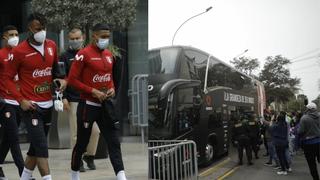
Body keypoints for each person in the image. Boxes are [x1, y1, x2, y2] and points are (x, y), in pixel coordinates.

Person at [4, 13, 67, 180]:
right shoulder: (19, 51)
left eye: (44, 28)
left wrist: (61, 81)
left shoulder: (52, 45)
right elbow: (6, 78)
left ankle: (24, 178)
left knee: (35, 148)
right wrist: (21, 100)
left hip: (48, 105)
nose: (42, 32)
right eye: (38, 29)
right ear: (30, 29)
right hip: (30, 106)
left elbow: (57, 73)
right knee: (41, 146)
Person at [68, 23, 126, 180]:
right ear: (94, 36)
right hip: (88, 106)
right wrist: (92, 91)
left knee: (114, 142)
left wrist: (112, 88)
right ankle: (74, 174)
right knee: (81, 143)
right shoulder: (83, 54)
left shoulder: (109, 55)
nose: (105, 39)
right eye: (103, 37)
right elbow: (72, 80)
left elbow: (110, 78)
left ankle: (121, 176)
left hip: (106, 106)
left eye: (108, 37)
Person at [60, 28, 100, 172]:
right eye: (72, 39)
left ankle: (90, 155)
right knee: (76, 133)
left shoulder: (91, 53)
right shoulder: (64, 57)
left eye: (77, 38)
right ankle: (78, 159)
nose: (75, 41)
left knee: (95, 131)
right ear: (68, 39)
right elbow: (61, 78)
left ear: (83, 37)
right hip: (73, 99)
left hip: (91, 99)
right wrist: (63, 98)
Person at [0, 25, 25, 179]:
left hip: (20, 101)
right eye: (11, 34)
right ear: (4, 37)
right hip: (5, 101)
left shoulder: (22, 54)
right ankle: (24, 173)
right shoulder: (1, 55)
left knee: (9, 138)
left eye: (16, 34)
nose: (15, 37)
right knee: (14, 137)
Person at [298, 102, 320, 180]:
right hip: (319, 141)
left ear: (308, 109)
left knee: (312, 164)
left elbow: (300, 131)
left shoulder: (304, 118)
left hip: (309, 143)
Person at [271, 111, 291, 175]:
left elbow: (270, 128)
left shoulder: (276, 126)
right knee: (284, 155)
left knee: (280, 156)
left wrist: (272, 120)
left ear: (278, 119)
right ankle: (288, 167)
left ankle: (283, 170)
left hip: (278, 143)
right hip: (284, 141)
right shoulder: (285, 124)